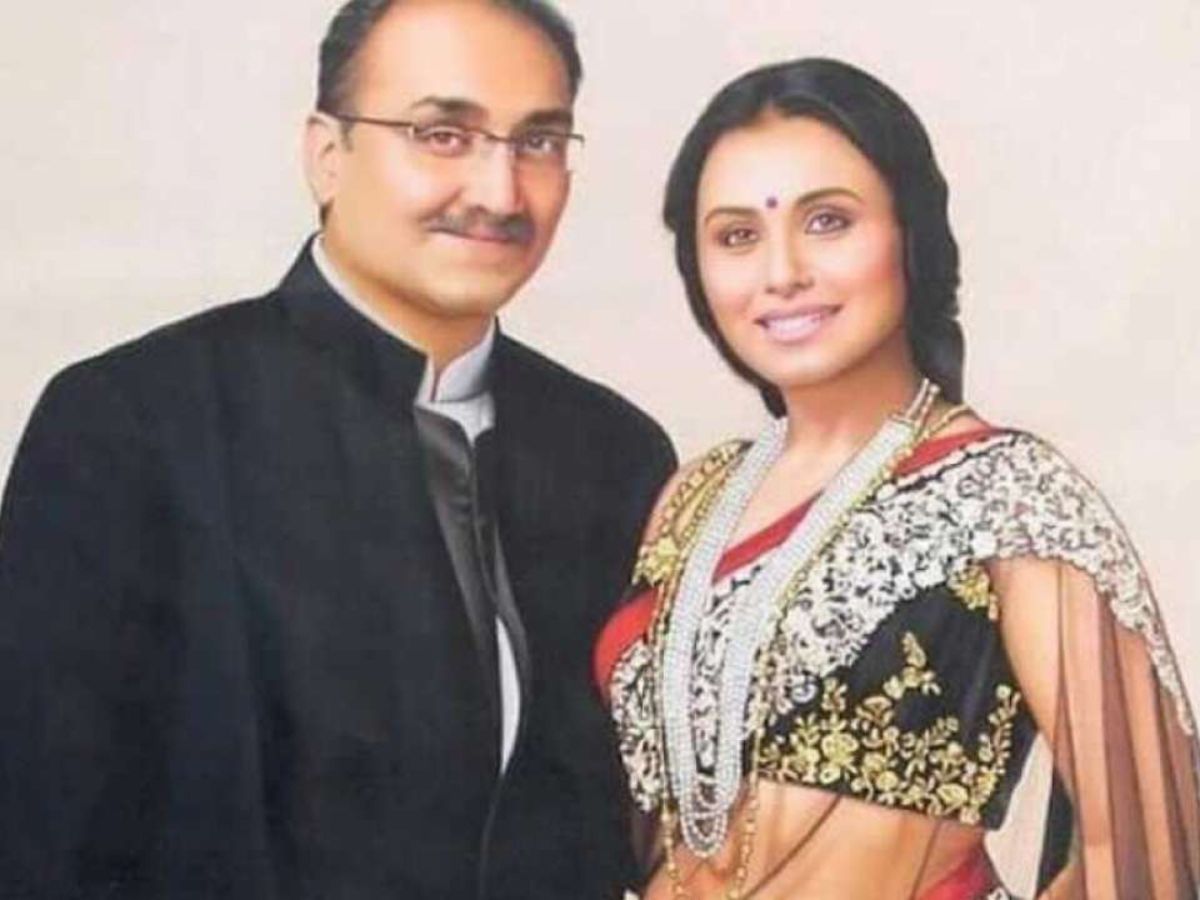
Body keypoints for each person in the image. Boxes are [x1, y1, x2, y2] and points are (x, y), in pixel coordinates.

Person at [0, 1, 674, 898]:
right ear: (327, 153)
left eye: (539, 142)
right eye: (442, 134)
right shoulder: (132, 423)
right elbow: (36, 841)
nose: (500, 192)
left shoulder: (614, 454)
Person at [594, 58, 1199, 898]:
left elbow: (1142, 857)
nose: (781, 272)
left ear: (910, 235)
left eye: (828, 221)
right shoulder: (691, 499)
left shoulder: (1007, 496)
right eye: (736, 236)